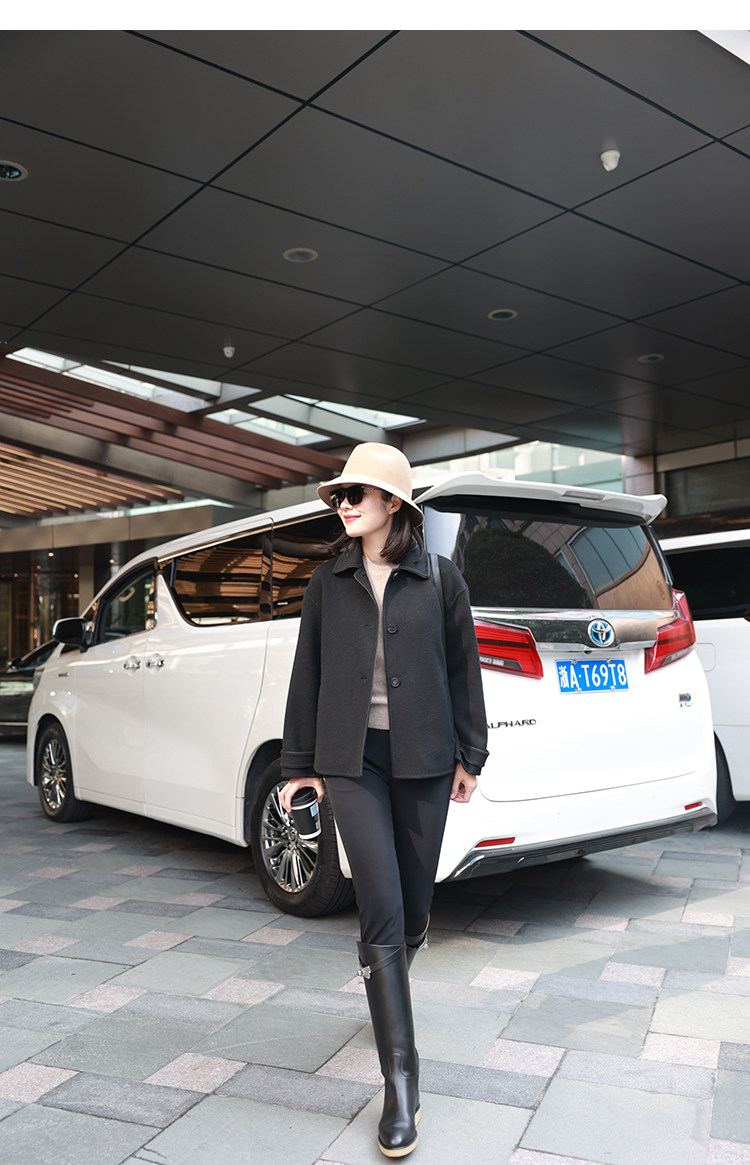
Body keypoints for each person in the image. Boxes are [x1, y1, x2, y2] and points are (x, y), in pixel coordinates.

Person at [279, 442, 488, 1159]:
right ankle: (402, 1082)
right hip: (352, 760)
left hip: (425, 759)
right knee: (379, 901)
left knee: (415, 905)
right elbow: (307, 673)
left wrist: (471, 755)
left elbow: (464, 669)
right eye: (339, 495)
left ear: (393, 502)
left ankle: (389, 975)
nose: (343, 505)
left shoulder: (441, 578)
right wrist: (298, 766)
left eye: (356, 494)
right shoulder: (327, 580)